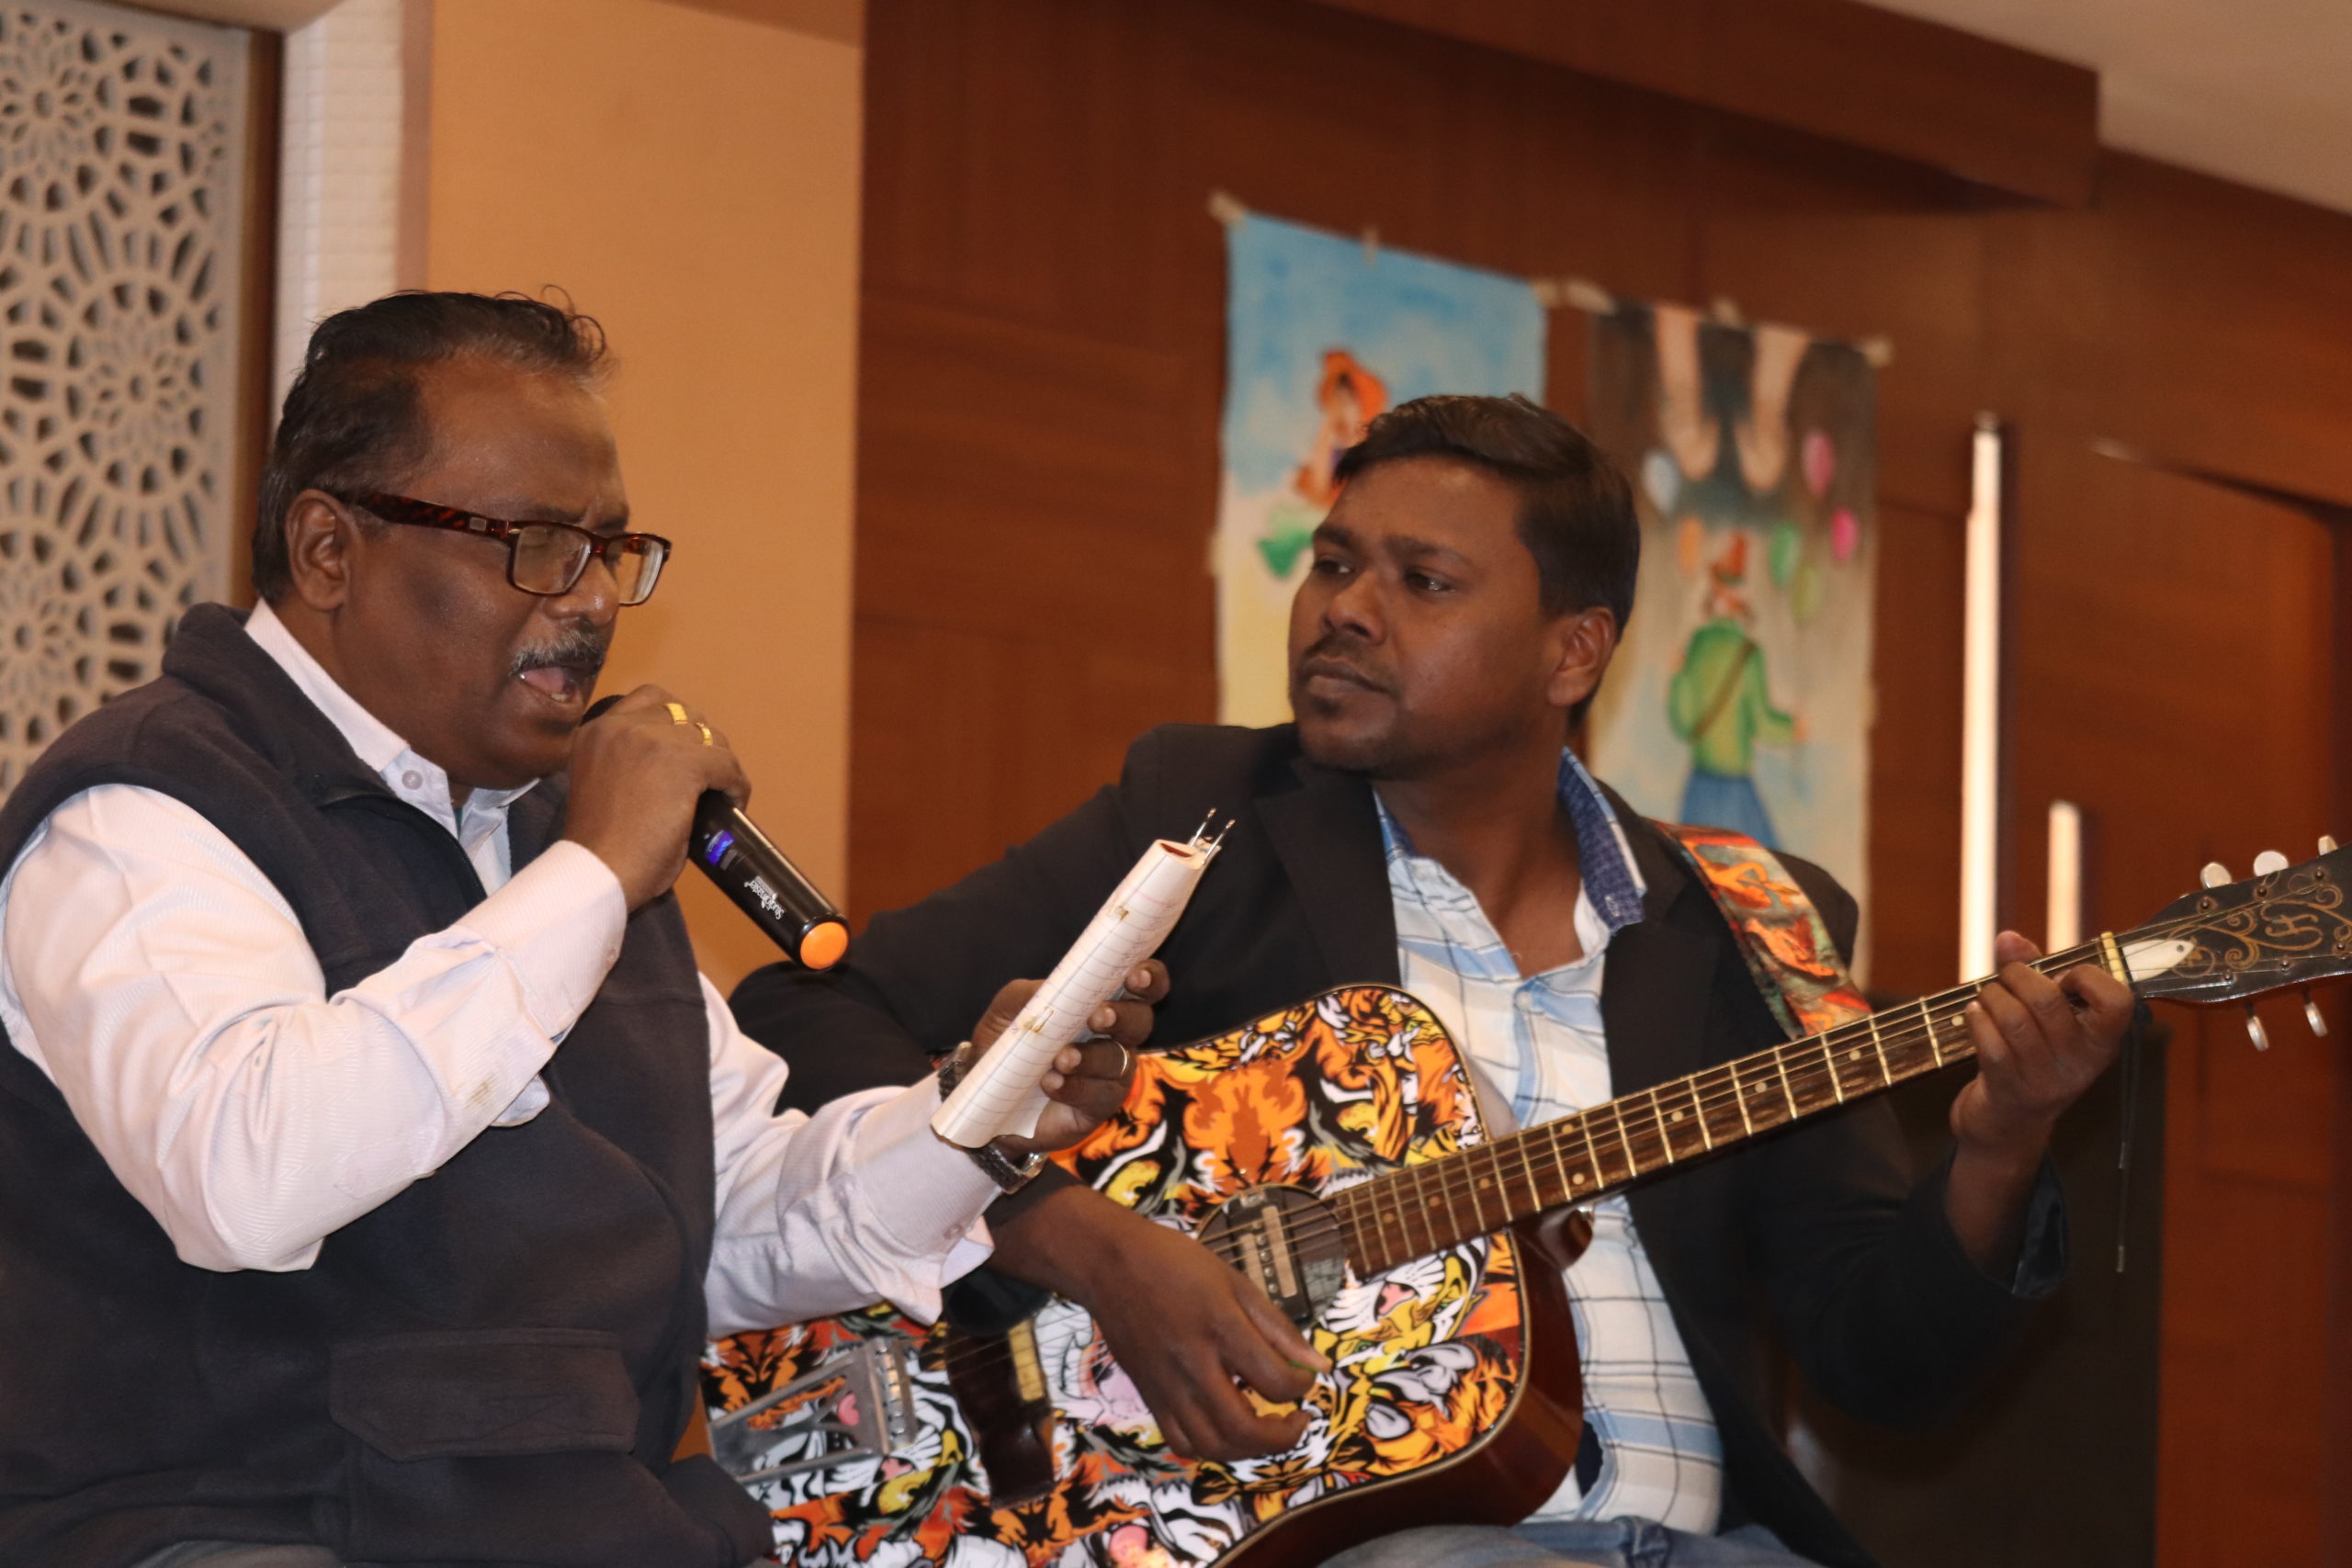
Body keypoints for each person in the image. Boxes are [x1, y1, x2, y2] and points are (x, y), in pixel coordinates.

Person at [730, 393, 2133, 1568]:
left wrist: (2001, 1143)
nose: (1346, 611)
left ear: (1574, 650)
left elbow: (1884, 1366)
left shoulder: (1750, 924)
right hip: (1356, 1536)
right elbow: (807, 1017)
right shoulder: (1207, 818)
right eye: (1334, 564)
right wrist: (1086, 1243)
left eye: (1422, 581)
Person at [0, 291, 1158, 1568]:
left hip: (583, 1526)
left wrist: (977, 1119)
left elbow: (735, 1216)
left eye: (611, 550)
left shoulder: (566, 844)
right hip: (234, 1528)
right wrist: (597, 872)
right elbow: (246, 1179)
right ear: (329, 550)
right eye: (540, 544)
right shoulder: (143, 812)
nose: (596, 601)